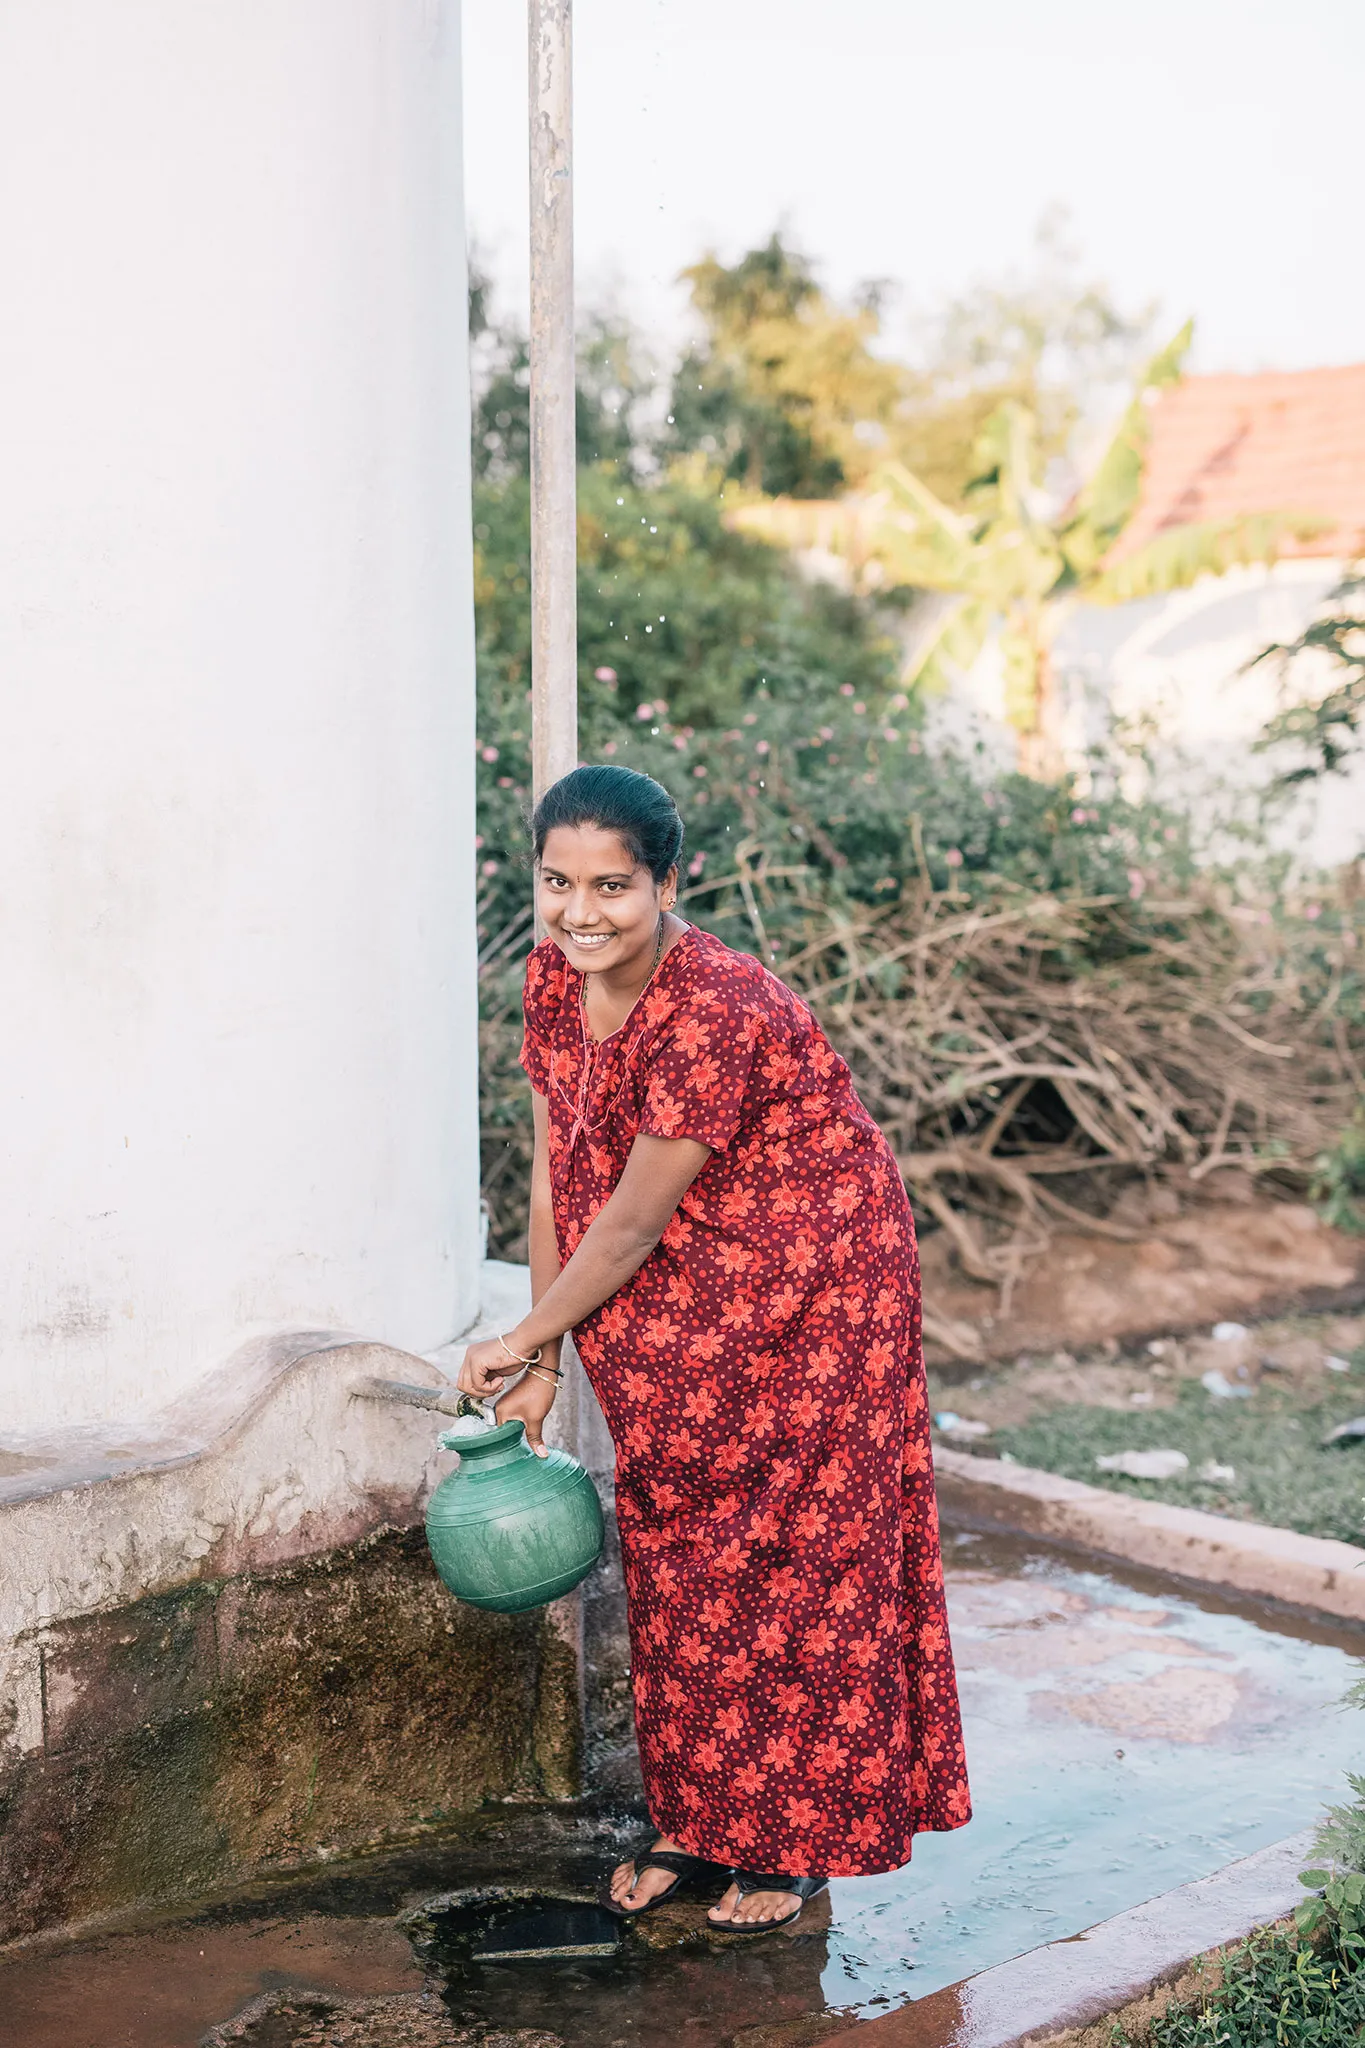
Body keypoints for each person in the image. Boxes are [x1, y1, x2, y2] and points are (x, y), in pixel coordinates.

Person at [459, 765, 970, 1932]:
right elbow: (561, 1170)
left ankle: (787, 1841)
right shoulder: (553, 977)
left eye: (612, 887)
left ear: (668, 883)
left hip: (812, 1281)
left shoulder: (717, 1005)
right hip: (677, 1280)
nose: (581, 911)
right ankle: (697, 1818)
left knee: (792, 1549)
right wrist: (541, 1359)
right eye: (557, 882)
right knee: (677, 1530)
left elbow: (630, 1216)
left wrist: (522, 1333)